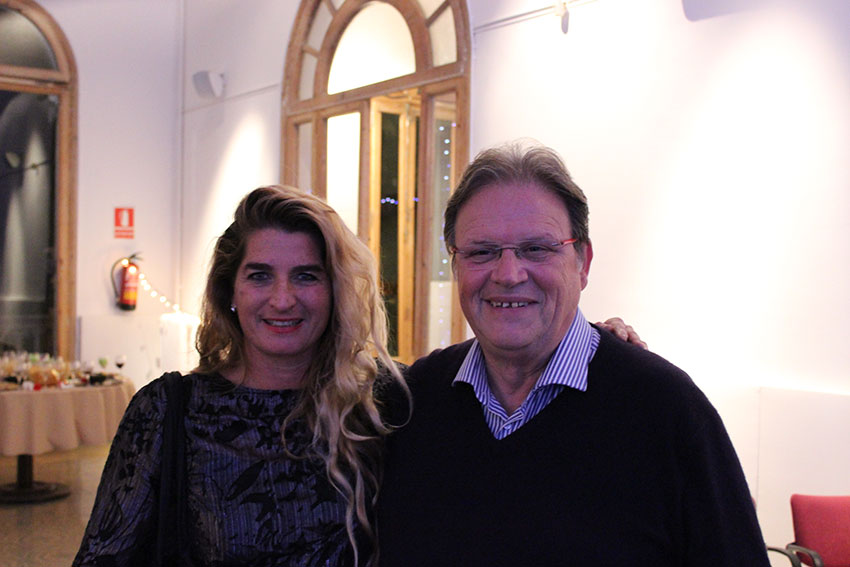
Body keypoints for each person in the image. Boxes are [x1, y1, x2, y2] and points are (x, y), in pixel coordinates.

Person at [376, 142, 770, 566]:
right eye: (481, 251)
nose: (508, 274)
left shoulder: (667, 410)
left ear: (583, 262)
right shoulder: (412, 402)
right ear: (456, 265)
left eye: (537, 249)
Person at [73, 185, 408, 567]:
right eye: (260, 276)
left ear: (335, 291)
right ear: (230, 290)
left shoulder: (382, 403)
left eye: (306, 276)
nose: (283, 299)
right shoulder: (168, 411)